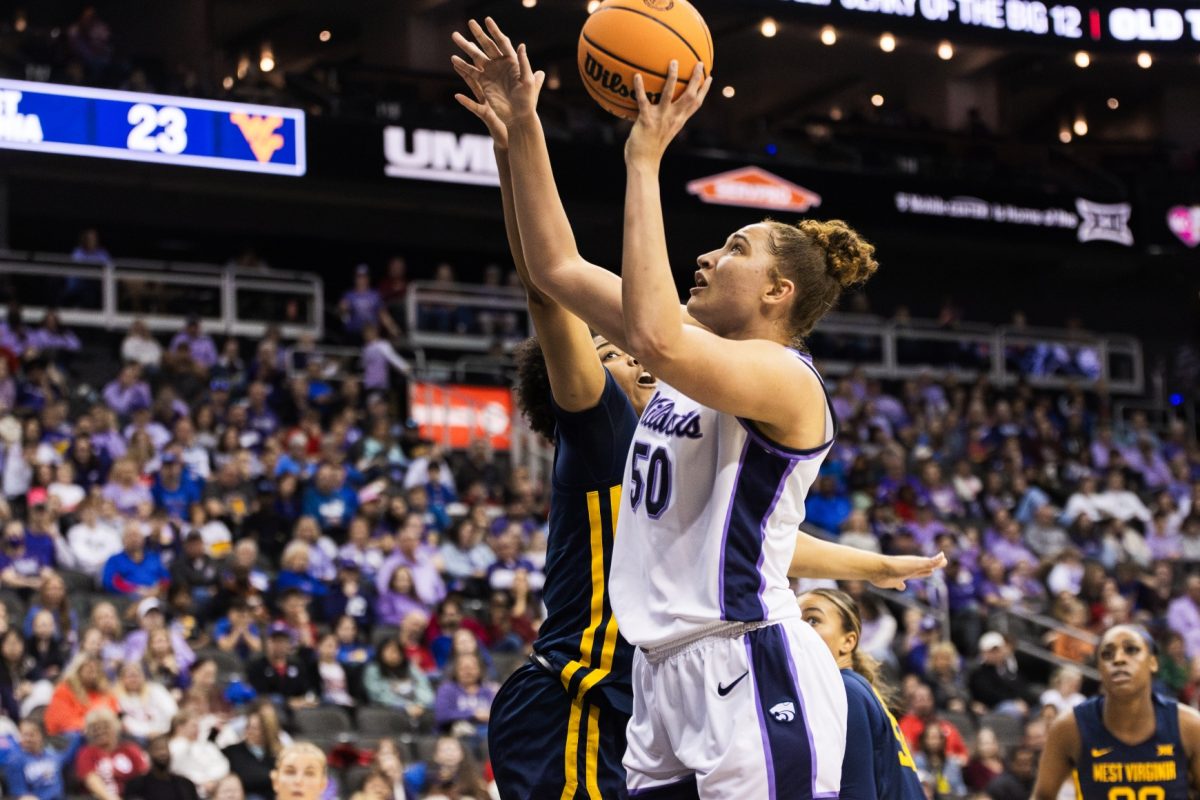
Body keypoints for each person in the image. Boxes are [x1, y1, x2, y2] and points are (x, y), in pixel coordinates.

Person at [451, 18, 948, 799]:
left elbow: (652, 331)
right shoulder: (683, 356)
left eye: (737, 248)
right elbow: (552, 268)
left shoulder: (786, 379)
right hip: (660, 677)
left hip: (749, 664)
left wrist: (643, 157)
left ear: (779, 293)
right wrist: (521, 131)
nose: (709, 257)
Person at [1033, 624, 1200, 800]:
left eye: (1131, 650)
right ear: (1099, 669)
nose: (1118, 659)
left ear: (1153, 662)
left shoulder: (1189, 726)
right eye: (1107, 654)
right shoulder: (1069, 727)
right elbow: (1042, 796)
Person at [798, 589, 924, 799]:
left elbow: (857, 792)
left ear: (848, 641)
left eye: (812, 620)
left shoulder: (845, 690)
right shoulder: (853, 687)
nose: (798, 630)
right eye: (794, 621)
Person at [1, 717, 83, 800]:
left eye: (31, 735)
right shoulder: (15, 761)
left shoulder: (53, 755)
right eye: (24, 735)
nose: (27, 739)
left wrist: (81, 734)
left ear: (42, 736)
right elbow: (20, 793)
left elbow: (68, 754)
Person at [125, 734, 201, 800]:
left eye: (165, 749)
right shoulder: (137, 785)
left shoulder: (186, 785)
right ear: (149, 754)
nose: (163, 753)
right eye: (158, 749)